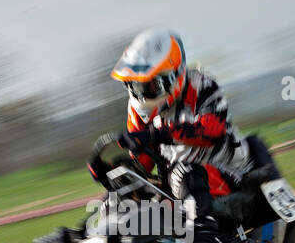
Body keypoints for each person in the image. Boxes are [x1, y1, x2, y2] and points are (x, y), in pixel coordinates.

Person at [108, 28, 253, 225]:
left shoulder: (201, 85)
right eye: (135, 85)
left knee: (185, 174)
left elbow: (213, 131)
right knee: (122, 192)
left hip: (227, 174)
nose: (141, 95)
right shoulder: (137, 108)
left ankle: (205, 240)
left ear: (172, 76)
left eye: (150, 86)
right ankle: (95, 240)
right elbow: (144, 163)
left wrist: (157, 135)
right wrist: (117, 172)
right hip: (175, 184)